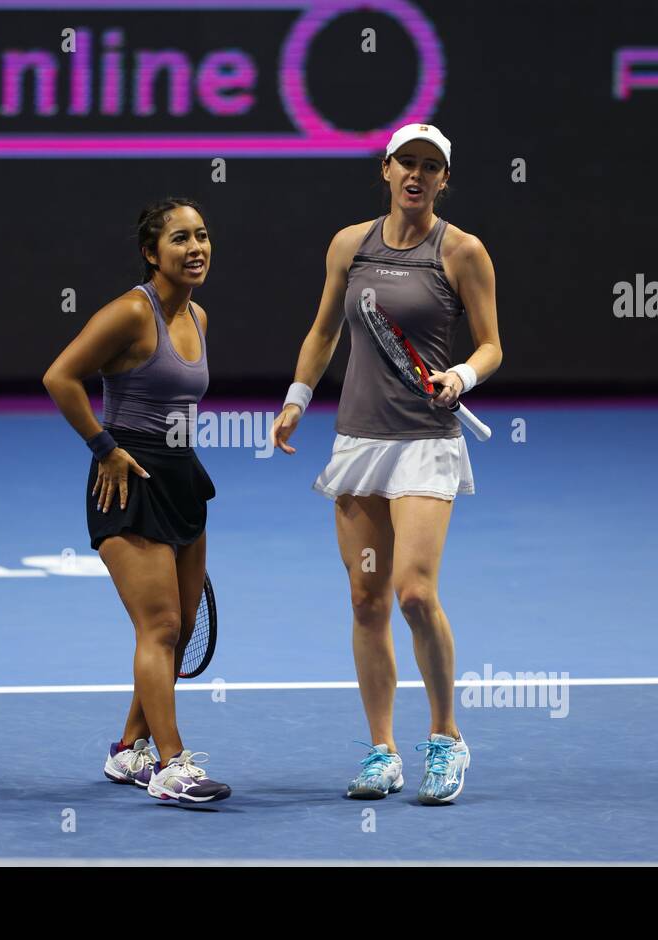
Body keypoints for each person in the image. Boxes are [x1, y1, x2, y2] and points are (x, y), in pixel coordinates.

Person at [270, 123, 503, 804]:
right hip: (359, 442)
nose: (418, 175)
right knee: (367, 599)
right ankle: (382, 751)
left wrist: (461, 374)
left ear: (443, 180)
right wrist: (296, 397)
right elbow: (324, 330)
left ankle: (446, 737)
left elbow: (492, 346)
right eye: (409, 162)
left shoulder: (462, 251)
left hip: (426, 443)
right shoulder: (350, 243)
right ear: (387, 167)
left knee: (413, 592)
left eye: (432, 167)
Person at [43, 198, 230, 804]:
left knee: (178, 628)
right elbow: (60, 377)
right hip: (128, 485)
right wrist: (103, 446)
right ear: (152, 253)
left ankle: (129, 752)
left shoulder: (199, 317)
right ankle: (172, 765)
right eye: (180, 239)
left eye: (202, 236)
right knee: (161, 625)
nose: (195, 248)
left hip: (183, 482)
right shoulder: (129, 312)